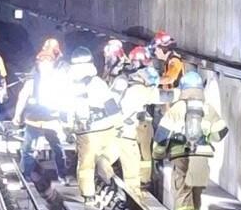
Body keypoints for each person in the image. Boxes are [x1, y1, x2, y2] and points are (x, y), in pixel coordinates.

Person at [152, 70, 228, 210]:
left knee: (181, 190)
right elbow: (220, 133)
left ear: (183, 88)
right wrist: (206, 136)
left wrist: (157, 156)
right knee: (196, 191)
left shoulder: (177, 108)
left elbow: (162, 136)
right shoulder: (208, 109)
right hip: (201, 155)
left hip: (180, 154)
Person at [68, 46, 122, 202]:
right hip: (106, 127)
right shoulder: (98, 83)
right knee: (109, 153)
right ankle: (108, 175)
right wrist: (119, 124)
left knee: (86, 164)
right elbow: (111, 105)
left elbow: (65, 110)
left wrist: (67, 128)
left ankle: (88, 196)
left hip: (85, 132)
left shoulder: (68, 85)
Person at [15, 50, 70, 184]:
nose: (45, 65)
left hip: (51, 121)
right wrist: (17, 114)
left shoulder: (58, 81)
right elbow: (22, 97)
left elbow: (66, 99)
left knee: (58, 149)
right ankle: (26, 176)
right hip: (33, 120)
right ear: (38, 64)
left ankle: (62, 175)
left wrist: (66, 118)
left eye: (48, 62)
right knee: (27, 149)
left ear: (52, 64)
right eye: (42, 63)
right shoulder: (32, 81)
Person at [117, 66, 162, 190]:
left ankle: (135, 185)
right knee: (138, 158)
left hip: (121, 130)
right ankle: (139, 186)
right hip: (131, 131)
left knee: (129, 160)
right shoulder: (139, 89)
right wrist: (185, 92)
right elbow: (162, 96)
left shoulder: (125, 85)